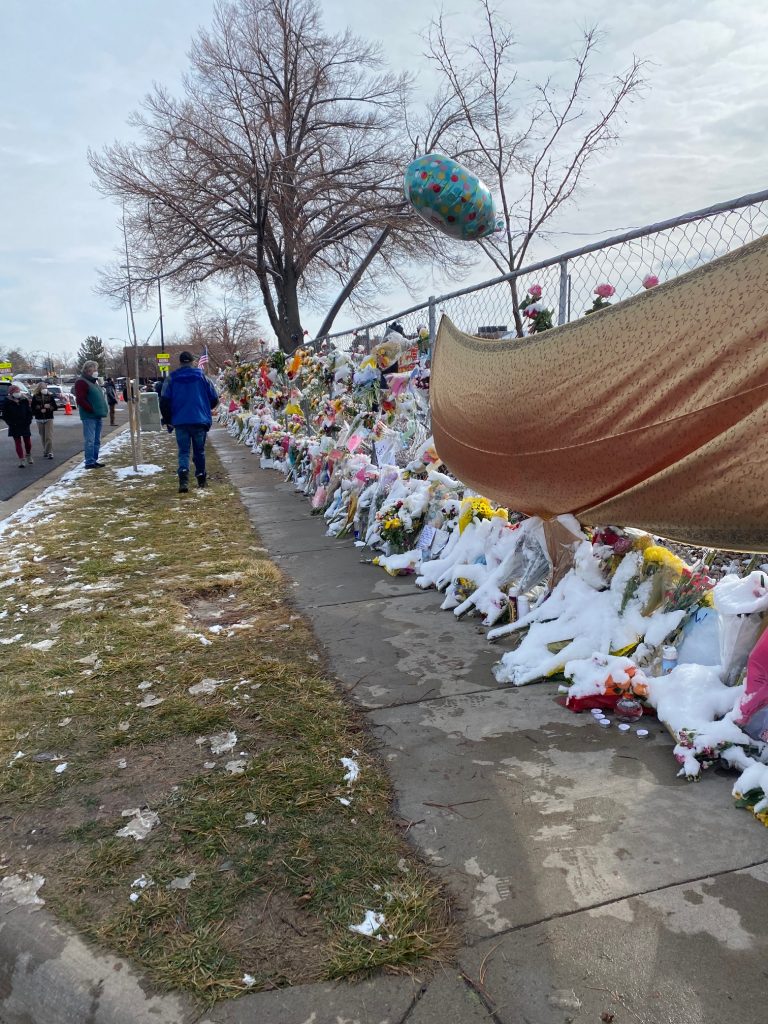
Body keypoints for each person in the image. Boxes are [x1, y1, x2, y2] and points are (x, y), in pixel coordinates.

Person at [160, 351, 219, 493]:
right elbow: (214, 398)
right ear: (192, 362)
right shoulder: (202, 377)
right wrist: (205, 408)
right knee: (199, 451)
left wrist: (168, 420)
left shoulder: (171, 379)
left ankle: (183, 479)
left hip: (180, 421)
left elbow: (164, 401)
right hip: (199, 419)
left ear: (180, 362)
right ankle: (201, 477)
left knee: (183, 451)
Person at [73, 361, 108, 469]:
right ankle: (89, 462)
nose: (96, 372)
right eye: (94, 370)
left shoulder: (94, 382)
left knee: (97, 440)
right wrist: (91, 409)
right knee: (90, 440)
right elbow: (80, 399)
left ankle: (94, 459)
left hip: (98, 415)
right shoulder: (81, 382)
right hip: (89, 416)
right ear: (88, 370)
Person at [1, 384, 34, 467]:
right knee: (17, 442)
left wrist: (28, 421)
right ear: (12, 393)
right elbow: (5, 415)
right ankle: (21, 459)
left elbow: (29, 412)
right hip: (14, 425)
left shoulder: (24, 399)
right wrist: (10, 423)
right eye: (16, 392)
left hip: (24, 423)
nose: (18, 393)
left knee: (27, 442)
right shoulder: (7, 401)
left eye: (18, 391)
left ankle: (28, 455)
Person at [30, 382, 56, 459]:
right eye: (42, 388)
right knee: (43, 436)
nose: (44, 389)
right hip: (39, 418)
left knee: (49, 436)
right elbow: (33, 408)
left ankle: (49, 452)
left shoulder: (50, 396)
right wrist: (41, 408)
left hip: (49, 418)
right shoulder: (35, 397)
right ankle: (46, 450)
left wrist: (49, 407)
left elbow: (55, 407)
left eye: (45, 387)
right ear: (39, 388)